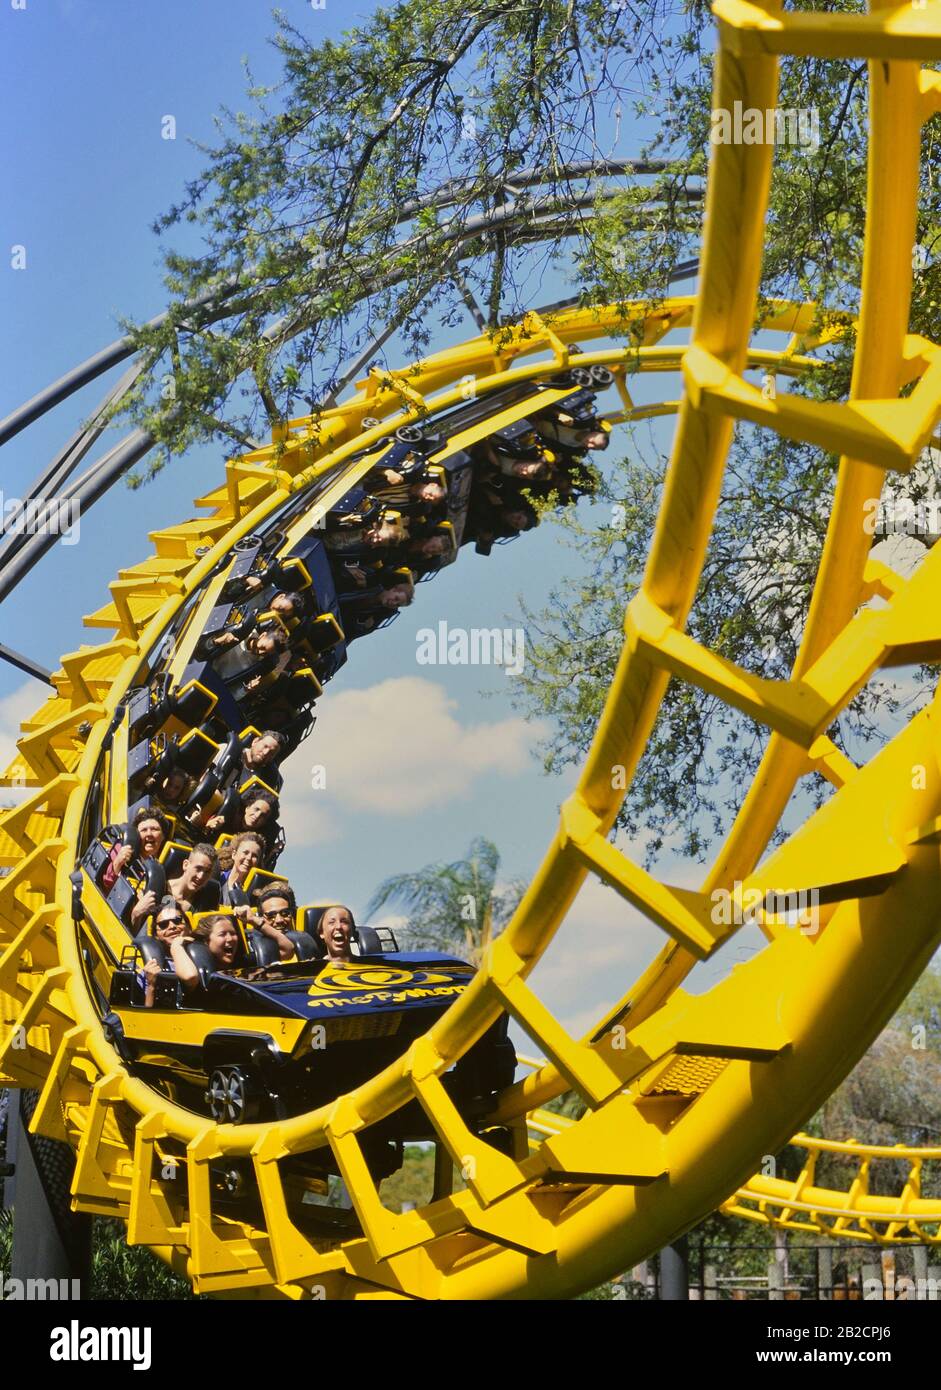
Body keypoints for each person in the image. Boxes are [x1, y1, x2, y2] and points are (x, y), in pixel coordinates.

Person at [101, 807, 169, 894]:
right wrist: (117, 863)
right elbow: (105, 886)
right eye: (144, 830)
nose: (149, 834)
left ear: (163, 836)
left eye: (154, 829)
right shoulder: (121, 849)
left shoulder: (160, 868)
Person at [169, 914, 241, 994]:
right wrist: (176, 945)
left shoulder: (244, 964)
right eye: (222, 934)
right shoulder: (198, 972)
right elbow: (190, 977)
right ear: (206, 941)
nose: (230, 939)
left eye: (233, 933)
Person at [167, 844, 220, 914]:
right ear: (185, 865)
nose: (201, 876)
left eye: (207, 872)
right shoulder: (162, 889)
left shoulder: (208, 899)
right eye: (198, 868)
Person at [219, 832, 267, 907]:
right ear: (234, 854)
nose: (249, 858)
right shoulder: (218, 878)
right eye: (245, 852)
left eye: (254, 856)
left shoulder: (257, 894)